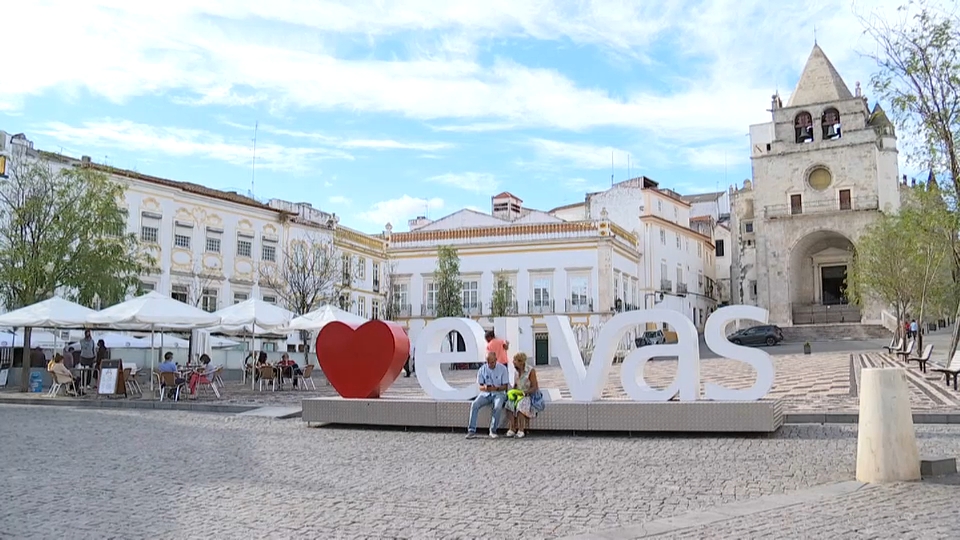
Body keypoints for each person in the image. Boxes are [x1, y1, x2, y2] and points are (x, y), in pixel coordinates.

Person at [466, 351, 509, 439]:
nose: (490, 364)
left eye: (492, 362)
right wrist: (485, 387)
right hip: (486, 393)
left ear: (496, 360)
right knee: (474, 404)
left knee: (497, 407)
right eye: (488, 362)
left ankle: (493, 430)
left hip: (499, 393)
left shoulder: (503, 369)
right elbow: (480, 386)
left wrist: (496, 388)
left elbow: (505, 386)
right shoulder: (482, 369)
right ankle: (471, 431)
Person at [504, 352, 545, 438]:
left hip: (528, 395)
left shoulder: (530, 371)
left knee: (520, 405)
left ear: (521, 362)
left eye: (515, 362)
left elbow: (535, 387)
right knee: (509, 404)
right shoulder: (516, 372)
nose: (514, 364)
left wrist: (524, 393)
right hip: (518, 393)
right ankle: (512, 428)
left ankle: (521, 429)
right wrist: (512, 391)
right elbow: (516, 384)